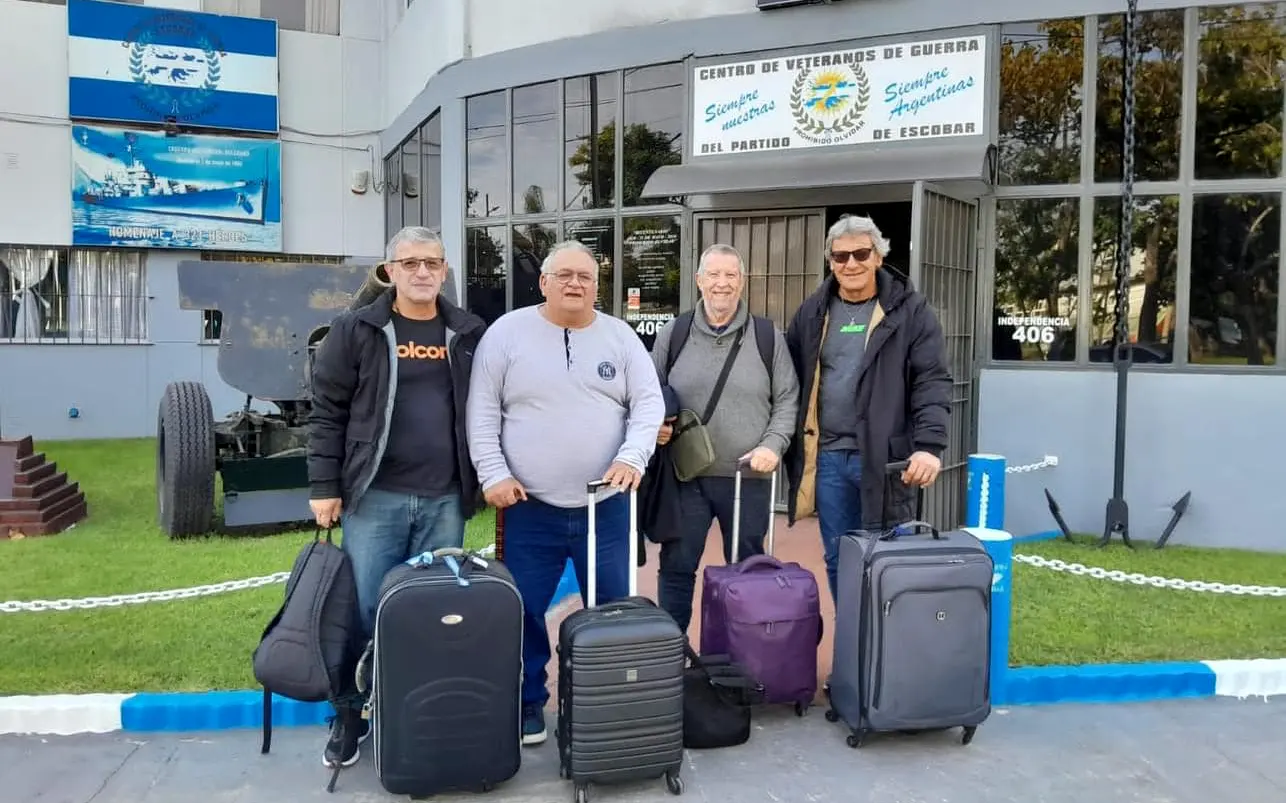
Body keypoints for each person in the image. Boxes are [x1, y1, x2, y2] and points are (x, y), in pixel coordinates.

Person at [467, 240, 666, 747]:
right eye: (564, 275)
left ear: (597, 286)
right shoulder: (505, 334)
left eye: (585, 276)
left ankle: (604, 703)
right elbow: (482, 410)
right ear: (544, 282)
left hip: (607, 506)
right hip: (528, 507)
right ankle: (528, 702)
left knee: (611, 610)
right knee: (523, 610)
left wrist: (632, 457)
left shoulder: (620, 337)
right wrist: (493, 473)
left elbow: (648, 405)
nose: (575, 283)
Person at [307, 225, 486, 770]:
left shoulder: (467, 332)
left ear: (445, 270)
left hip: (444, 500)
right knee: (365, 612)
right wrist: (324, 486)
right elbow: (327, 410)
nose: (422, 272)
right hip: (375, 499)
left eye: (431, 262)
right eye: (410, 263)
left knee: (433, 612)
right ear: (390, 271)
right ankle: (349, 716)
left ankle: (416, 712)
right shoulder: (357, 329)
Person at [784, 214, 952, 605]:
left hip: (886, 459)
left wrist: (929, 446)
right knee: (839, 557)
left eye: (861, 254)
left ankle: (887, 637)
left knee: (889, 557)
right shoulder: (812, 312)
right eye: (840, 256)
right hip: (829, 457)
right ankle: (851, 634)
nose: (851, 264)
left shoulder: (911, 311)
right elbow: (788, 379)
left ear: (878, 256)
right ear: (831, 262)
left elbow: (931, 380)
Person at [648, 243, 799, 633]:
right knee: (677, 567)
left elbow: (787, 398)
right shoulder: (674, 332)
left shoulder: (767, 336)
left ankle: (743, 651)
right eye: (713, 274)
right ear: (699, 280)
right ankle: (672, 649)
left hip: (747, 476)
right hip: (685, 478)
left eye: (731, 275)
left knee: (747, 572)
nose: (722, 283)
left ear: (742, 282)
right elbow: (649, 392)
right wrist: (655, 426)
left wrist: (773, 445)